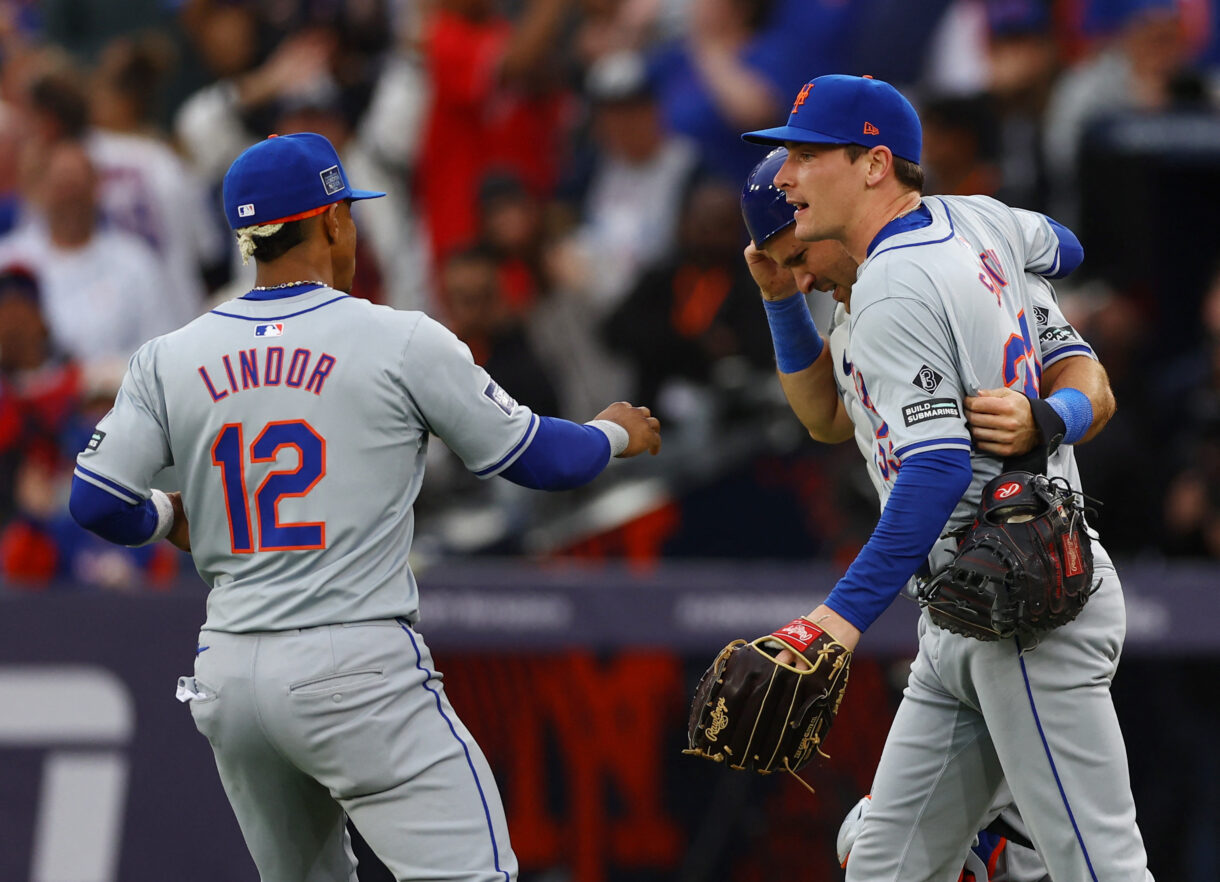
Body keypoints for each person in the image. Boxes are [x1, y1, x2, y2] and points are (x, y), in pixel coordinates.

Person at [67, 132, 661, 882]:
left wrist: (165, 517)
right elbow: (542, 460)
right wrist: (616, 432)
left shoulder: (170, 354)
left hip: (230, 677)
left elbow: (95, 500)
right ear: (332, 220)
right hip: (353, 663)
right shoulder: (397, 337)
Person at [738, 76, 1152, 881]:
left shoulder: (896, 281)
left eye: (807, 155)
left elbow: (936, 471)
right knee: (880, 863)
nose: (787, 176)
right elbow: (1063, 244)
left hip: (1026, 605)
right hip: (965, 608)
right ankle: (997, 851)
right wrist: (1002, 266)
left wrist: (836, 621)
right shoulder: (974, 222)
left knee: (1098, 868)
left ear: (873, 165)